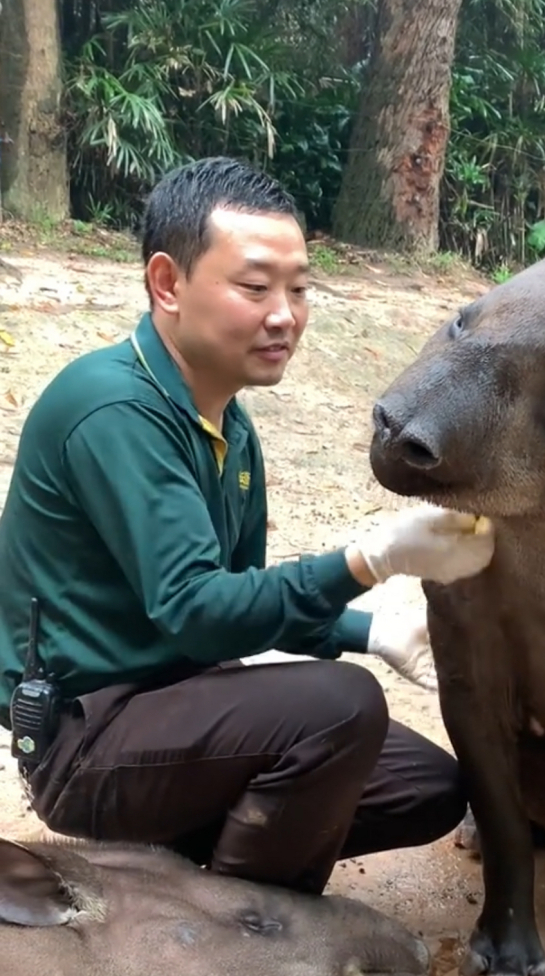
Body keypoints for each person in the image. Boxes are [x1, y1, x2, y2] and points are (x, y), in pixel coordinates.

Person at [0, 156, 495, 893]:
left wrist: (369, 633)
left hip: (176, 709)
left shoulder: (226, 423)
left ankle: (187, 863)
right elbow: (198, 611)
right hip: (88, 741)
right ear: (167, 284)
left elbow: (240, 600)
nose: (284, 315)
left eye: (299, 289)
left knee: (425, 787)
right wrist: (367, 560)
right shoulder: (113, 411)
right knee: (340, 707)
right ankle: (238, 932)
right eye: (255, 287)